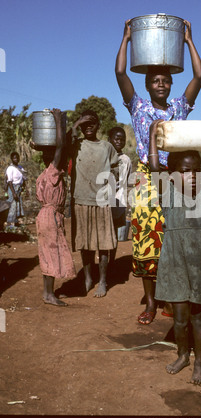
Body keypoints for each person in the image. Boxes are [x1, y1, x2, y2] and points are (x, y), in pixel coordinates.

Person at [115, 18, 201, 325]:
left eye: (166, 80)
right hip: (146, 178)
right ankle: (151, 303)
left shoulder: (179, 108)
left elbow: (200, 75)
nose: (161, 84)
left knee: (175, 238)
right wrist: (127, 38)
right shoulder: (138, 108)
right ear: (147, 84)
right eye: (155, 81)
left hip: (176, 179)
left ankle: (171, 298)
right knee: (145, 239)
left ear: (171, 85)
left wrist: (189, 41)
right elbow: (119, 72)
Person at [148, 120, 201, 385]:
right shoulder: (168, 190)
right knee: (179, 318)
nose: (192, 176)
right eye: (185, 171)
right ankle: (183, 355)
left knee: (199, 317)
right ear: (173, 173)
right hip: (175, 261)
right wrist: (153, 135)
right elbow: (154, 167)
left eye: (196, 170)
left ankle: (199, 362)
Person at [67, 110, 119, 298]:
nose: (88, 126)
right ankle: (88, 278)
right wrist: (75, 124)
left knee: (103, 243)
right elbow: (62, 144)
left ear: (98, 126)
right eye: (84, 124)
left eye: (92, 123)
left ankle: (103, 280)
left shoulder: (106, 147)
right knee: (85, 243)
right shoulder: (76, 145)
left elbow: (115, 166)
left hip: (102, 200)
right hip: (80, 199)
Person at [34, 109, 76, 306]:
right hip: (50, 216)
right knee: (51, 252)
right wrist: (59, 120)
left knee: (45, 253)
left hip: (44, 215)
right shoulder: (52, 171)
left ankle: (45, 292)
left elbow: (62, 147)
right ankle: (50, 295)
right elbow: (60, 146)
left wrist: (74, 126)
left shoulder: (44, 174)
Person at [108, 126, 132, 264]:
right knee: (104, 233)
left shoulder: (126, 160)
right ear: (109, 139)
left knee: (114, 234)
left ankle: (111, 262)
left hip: (119, 201)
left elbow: (126, 181)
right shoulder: (104, 156)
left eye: (122, 139)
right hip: (104, 201)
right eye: (116, 138)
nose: (119, 141)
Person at [5, 152, 27, 229]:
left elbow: (24, 178)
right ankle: (9, 223)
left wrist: (24, 187)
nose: (16, 159)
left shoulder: (20, 168)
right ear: (12, 159)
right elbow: (9, 182)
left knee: (18, 205)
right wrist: (13, 193)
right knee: (12, 205)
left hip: (19, 189)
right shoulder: (10, 168)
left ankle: (16, 222)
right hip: (13, 189)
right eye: (14, 158)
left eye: (17, 157)